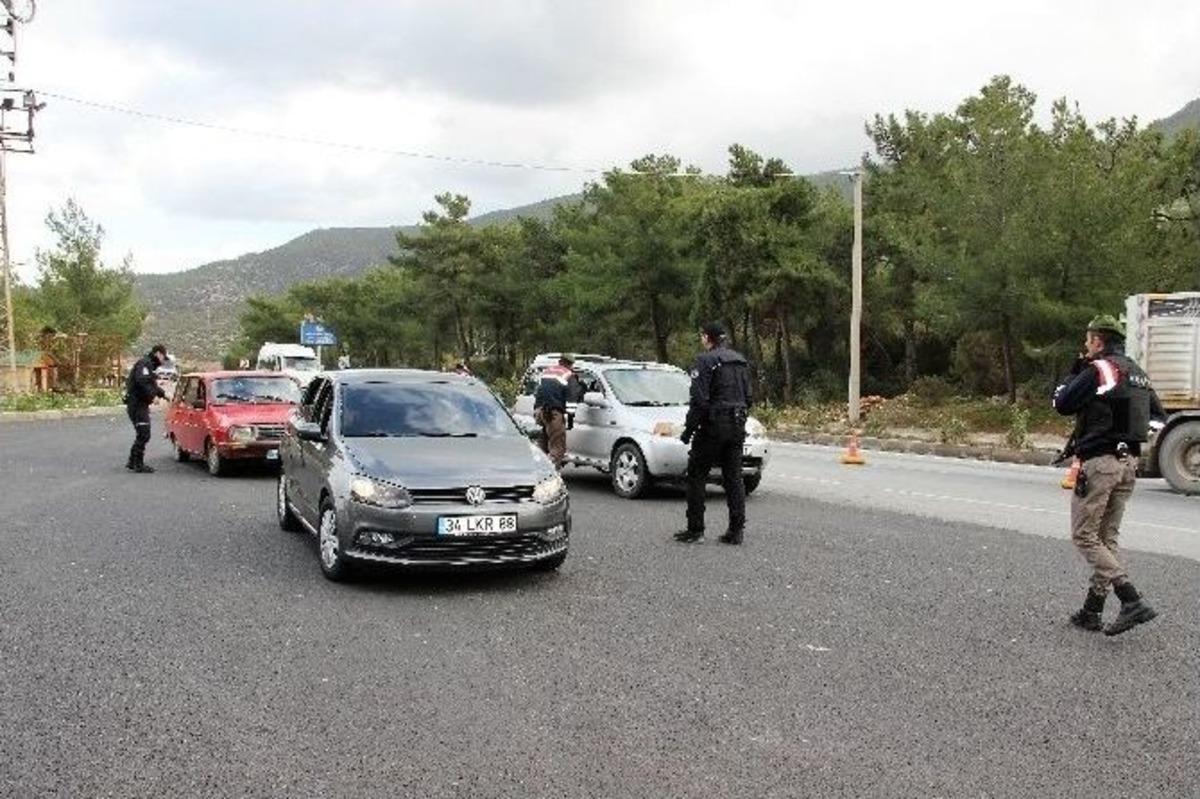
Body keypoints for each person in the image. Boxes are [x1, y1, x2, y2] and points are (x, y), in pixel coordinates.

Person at [1053, 314, 1166, 636]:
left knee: (1084, 536)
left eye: (1088, 340)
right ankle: (1093, 609)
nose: (1086, 346)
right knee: (1106, 538)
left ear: (1097, 341)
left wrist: (1075, 371)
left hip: (1100, 463)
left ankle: (1130, 599)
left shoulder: (1100, 369)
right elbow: (1158, 418)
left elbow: (1062, 403)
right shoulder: (1137, 373)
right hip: (1128, 464)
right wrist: (1126, 436)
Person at [676, 323, 753, 545]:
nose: (701, 339)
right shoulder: (740, 361)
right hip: (737, 424)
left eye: (702, 336)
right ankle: (736, 531)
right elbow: (749, 398)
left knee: (697, 475)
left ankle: (695, 530)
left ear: (708, 338)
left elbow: (699, 400)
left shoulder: (705, 361)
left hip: (712, 426)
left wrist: (688, 430)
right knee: (734, 478)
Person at [123, 344, 169, 474]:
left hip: (140, 405)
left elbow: (151, 385)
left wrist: (164, 395)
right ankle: (138, 463)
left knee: (142, 433)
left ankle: (133, 461)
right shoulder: (145, 363)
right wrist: (152, 396)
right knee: (144, 433)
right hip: (137, 405)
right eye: (163, 358)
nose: (163, 361)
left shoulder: (149, 367)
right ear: (158, 354)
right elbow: (142, 381)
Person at [533, 355, 577, 470]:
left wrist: (536, 411)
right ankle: (549, 475)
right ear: (570, 364)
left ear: (560, 362)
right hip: (554, 414)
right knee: (557, 448)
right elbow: (571, 400)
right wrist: (570, 419)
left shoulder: (547, 372)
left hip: (541, 412)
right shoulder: (569, 375)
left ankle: (537, 470)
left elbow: (538, 391)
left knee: (542, 445)